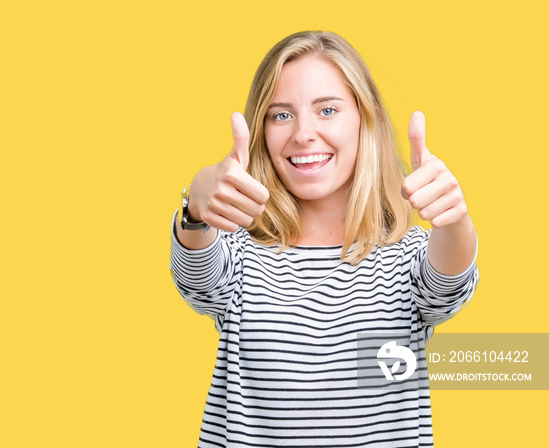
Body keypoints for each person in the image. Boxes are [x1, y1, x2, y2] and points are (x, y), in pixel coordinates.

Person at [170, 31, 479, 447]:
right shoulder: (241, 256)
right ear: (262, 132)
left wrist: (454, 220)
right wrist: (195, 209)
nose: (302, 134)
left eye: (327, 110)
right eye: (281, 115)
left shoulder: (405, 260)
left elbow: (447, 282)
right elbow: (198, 277)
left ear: (364, 118)